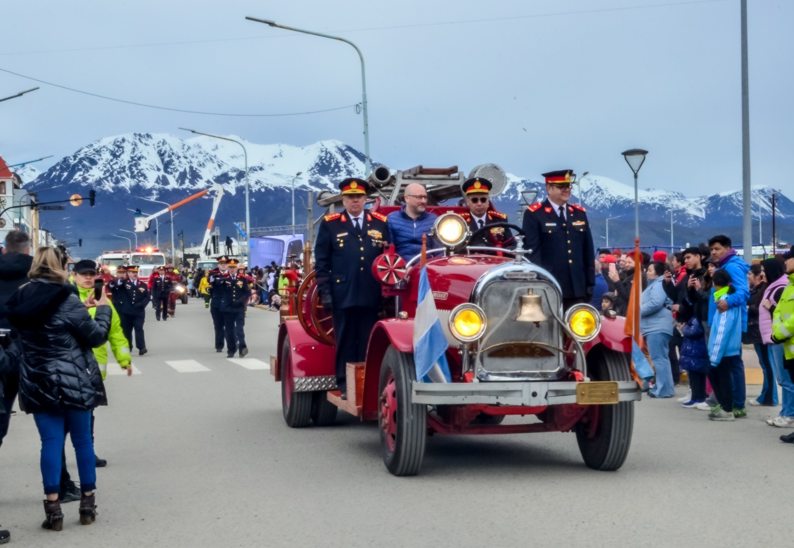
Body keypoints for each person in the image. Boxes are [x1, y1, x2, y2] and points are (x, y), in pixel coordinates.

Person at [6, 246, 111, 530]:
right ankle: (87, 503)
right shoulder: (66, 298)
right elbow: (97, 337)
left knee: (50, 444)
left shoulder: (20, 297)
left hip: (38, 381)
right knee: (82, 442)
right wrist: (101, 310)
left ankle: (53, 509)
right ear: (59, 266)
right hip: (73, 380)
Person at [315, 177, 389, 397]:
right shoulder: (331, 223)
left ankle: (368, 386)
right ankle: (345, 384)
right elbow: (322, 263)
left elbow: (387, 258)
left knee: (369, 341)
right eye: (350, 197)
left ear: (366, 199)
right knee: (346, 340)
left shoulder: (379, 222)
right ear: (343, 200)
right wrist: (325, 293)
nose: (354, 201)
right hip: (342, 294)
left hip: (371, 293)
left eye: (358, 197)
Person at [522, 169, 595, 308]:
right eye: (561, 187)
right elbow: (533, 253)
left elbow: (588, 250)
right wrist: (537, 283)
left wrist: (590, 283)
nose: (566, 190)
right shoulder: (535, 214)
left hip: (577, 287)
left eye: (568, 186)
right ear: (549, 188)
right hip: (549, 285)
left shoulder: (579, 214)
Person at [708, 234, 750, 417]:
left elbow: (743, 292)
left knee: (732, 364)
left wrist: (728, 302)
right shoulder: (724, 266)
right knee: (730, 364)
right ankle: (731, 402)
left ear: (727, 248)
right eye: (711, 250)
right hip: (723, 319)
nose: (713, 252)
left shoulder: (732, 266)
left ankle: (736, 404)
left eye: (717, 249)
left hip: (729, 323)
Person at [760, 256, 794, 430]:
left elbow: (783, 315)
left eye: (765, 270)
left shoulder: (780, 287)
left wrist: (776, 335)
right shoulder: (784, 286)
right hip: (776, 338)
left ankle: (789, 414)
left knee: (786, 380)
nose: (762, 274)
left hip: (781, 339)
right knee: (783, 379)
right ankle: (785, 412)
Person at [706, 269, 743, 421]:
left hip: (723, 349)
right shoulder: (728, 298)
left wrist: (714, 355)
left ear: (715, 284)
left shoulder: (724, 301)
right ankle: (726, 407)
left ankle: (727, 409)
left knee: (721, 379)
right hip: (730, 348)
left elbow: (722, 330)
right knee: (724, 378)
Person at [641, 261, 675, 398]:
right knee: (661, 358)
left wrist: (638, 310)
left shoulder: (658, 285)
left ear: (657, 273)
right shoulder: (656, 284)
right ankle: (663, 387)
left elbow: (656, 302)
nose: (647, 272)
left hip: (657, 326)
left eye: (650, 270)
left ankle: (663, 389)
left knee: (659, 359)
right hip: (655, 326)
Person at [746, 263, 777, 406]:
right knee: (765, 365)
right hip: (758, 332)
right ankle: (766, 395)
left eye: (750, 274)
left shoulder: (765, 289)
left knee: (767, 365)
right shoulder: (756, 289)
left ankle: (769, 397)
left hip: (761, 332)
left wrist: (749, 308)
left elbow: (760, 308)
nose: (748, 277)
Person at [771, 247, 794, 437]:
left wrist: (779, 333)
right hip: (789, 348)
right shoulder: (789, 285)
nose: (785, 262)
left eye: (789, 258)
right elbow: (778, 311)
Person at [458, 177, 514, 250]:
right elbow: (455, 249)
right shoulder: (460, 222)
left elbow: (512, 244)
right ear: (468, 202)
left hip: (495, 259)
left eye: (483, 200)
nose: (479, 204)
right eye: (474, 200)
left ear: (488, 202)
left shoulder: (499, 220)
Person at [387, 182, 436, 262]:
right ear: (407, 198)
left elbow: (440, 251)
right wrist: (402, 268)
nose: (423, 201)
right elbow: (388, 251)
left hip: (428, 270)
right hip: (402, 270)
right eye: (419, 197)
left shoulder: (434, 220)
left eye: (425, 197)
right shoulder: (392, 219)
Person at [114, 265, 149, 356]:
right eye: (132, 272)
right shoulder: (124, 283)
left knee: (139, 328)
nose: (134, 274)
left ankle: (142, 347)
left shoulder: (143, 284)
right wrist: (121, 278)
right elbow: (116, 285)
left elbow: (147, 297)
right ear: (128, 273)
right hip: (126, 312)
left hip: (139, 312)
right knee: (127, 331)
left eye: (136, 272)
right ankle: (128, 346)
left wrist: (142, 305)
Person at [223, 259, 251, 358]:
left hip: (239, 308)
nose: (232, 269)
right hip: (228, 308)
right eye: (230, 267)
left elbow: (247, 292)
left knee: (239, 329)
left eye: (234, 267)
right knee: (229, 330)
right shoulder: (224, 279)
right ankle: (231, 350)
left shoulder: (242, 279)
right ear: (227, 268)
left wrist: (241, 300)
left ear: (236, 268)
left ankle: (242, 348)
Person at [208, 256, 232, 353]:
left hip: (229, 304)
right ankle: (219, 345)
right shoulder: (213, 274)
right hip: (216, 304)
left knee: (229, 325)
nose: (223, 265)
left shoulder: (233, 274)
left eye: (225, 263)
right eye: (221, 263)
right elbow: (213, 281)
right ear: (218, 264)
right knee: (218, 326)